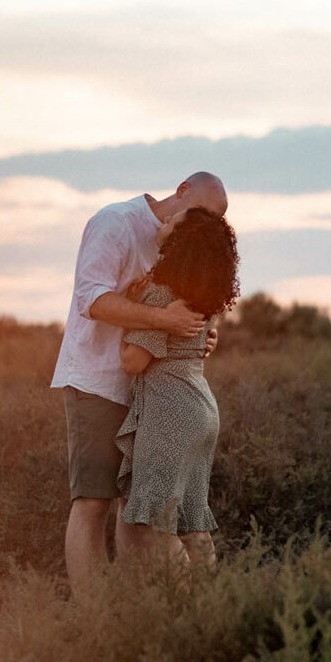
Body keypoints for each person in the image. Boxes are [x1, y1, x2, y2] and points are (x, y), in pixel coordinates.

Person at [50, 171, 228, 597]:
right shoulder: (115, 223)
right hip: (99, 382)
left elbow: (184, 308)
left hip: (153, 398)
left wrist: (200, 335)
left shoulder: (182, 245)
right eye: (201, 211)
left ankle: (145, 614)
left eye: (213, 219)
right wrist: (164, 322)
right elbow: (89, 298)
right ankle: (98, 624)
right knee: (93, 503)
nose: (203, 223)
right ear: (182, 190)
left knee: (142, 514)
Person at [115, 205, 240, 571]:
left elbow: (132, 362)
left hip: (171, 413)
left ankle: (181, 612)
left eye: (172, 222)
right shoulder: (204, 298)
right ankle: (208, 606)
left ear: (181, 241)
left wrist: (126, 326)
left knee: (160, 525)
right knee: (192, 523)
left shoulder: (161, 297)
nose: (164, 222)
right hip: (200, 409)